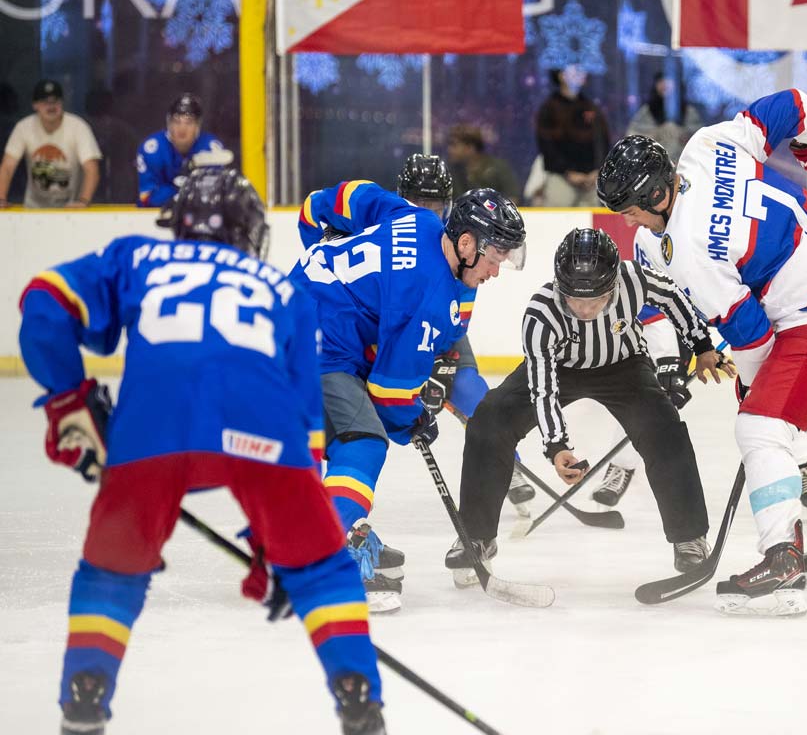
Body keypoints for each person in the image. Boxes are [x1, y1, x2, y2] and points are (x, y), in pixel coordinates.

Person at [18, 166, 386, 735]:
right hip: (262, 430)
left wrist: (68, 398)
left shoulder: (138, 257)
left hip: (152, 429)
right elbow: (308, 425)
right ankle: (358, 695)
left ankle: (85, 694)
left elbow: (43, 302)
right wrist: (284, 537)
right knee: (322, 570)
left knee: (112, 569)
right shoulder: (285, 291)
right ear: (247, 231)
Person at [597, 87, 807, 617]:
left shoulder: (690, 252)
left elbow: (751, 337)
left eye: (631, 211)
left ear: (656, 195)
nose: (628, 221)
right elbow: (792, 105)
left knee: (760, 428)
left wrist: (753, 387)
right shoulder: (706, 146)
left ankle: (782, 560)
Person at [445, 228, 735, 586]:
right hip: (558, 369)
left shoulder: (634, 279)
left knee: (665, 429)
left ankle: (689, 537)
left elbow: (674, 298)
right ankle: (476, 535)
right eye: (573, 299)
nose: (583, 309)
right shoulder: (541, 311)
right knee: (489, 419)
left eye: (594, 300)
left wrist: (702, 344)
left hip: (624, 366)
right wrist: (557, 446)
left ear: (612, 285)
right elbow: (543, 386)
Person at [294, 175, 527, 613]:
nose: (495, 271)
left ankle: (323, 529)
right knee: (362, 441)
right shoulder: (428, 300)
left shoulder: (417, 219)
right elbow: (388, 394)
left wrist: (315, 235)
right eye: (494, 258)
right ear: (465, 244)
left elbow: (348, 195)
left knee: (331, 434)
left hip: (299, 314)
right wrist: (413, 420)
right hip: (317, 345)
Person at [592, 224, 807, 527]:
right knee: (649, 392)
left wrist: (747, 321)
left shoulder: (712, 217)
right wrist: (668, 362)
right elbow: (654, 305)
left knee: (770, 392)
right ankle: (621, 466)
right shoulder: (645, 236)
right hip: (679, 318)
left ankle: (803, 464)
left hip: (737, 307)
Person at [395, 154, 536, 512]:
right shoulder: (397, 238)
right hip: (396, 340)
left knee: (474, 395)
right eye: (418, 204)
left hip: (442, 331)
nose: (428, 212)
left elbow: (457, 320)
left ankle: (508, 462)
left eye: (435, 204)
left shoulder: (462, 243)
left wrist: (443, 362)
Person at [0, 79, 101, 208]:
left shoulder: (78, 127)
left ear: (62, 103)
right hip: (33, 210)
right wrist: (1, 199)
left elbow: (91, 168)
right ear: (35, 105)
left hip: (71, 212)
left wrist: (83, 201)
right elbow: (7, 167)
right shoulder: (23, 127)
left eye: (55, 101)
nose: (51, 106)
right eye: (45, 102)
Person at [534, 65, 611, 207]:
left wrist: (598, 169)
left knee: (591, 226)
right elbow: (546, 145)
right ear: (561, 75)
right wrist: (567, 172)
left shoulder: (591, 107)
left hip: (591, 180)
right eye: (575, 71)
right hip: (560, 179)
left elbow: (603, 141)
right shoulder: (549, 108)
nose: (580, 74)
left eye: (582, 71)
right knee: (558, 223)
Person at [137, 93, 225, 207]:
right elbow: (146, 198)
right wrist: (186, 190)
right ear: (169, 124)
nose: (182, 128)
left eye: (189, 122)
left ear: (198, 126)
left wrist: (177, 191)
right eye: (177, 121)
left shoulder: (211, 149)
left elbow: (215, 197)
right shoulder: (151, 150)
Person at [625, 71, 704, 164]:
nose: (665, 85)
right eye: (661, 82)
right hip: (653, 165)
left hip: (683, 164)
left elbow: (700, 138)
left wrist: (683, 135)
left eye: (669, 82)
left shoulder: (689, 111)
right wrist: (655, 135)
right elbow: (633, 138)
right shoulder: (647, 111)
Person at [445, 125, 520, 203]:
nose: (449, 150)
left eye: (454, 145)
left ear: (470, 148)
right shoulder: (452, 171)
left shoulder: (498, 168)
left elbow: (513, 198)